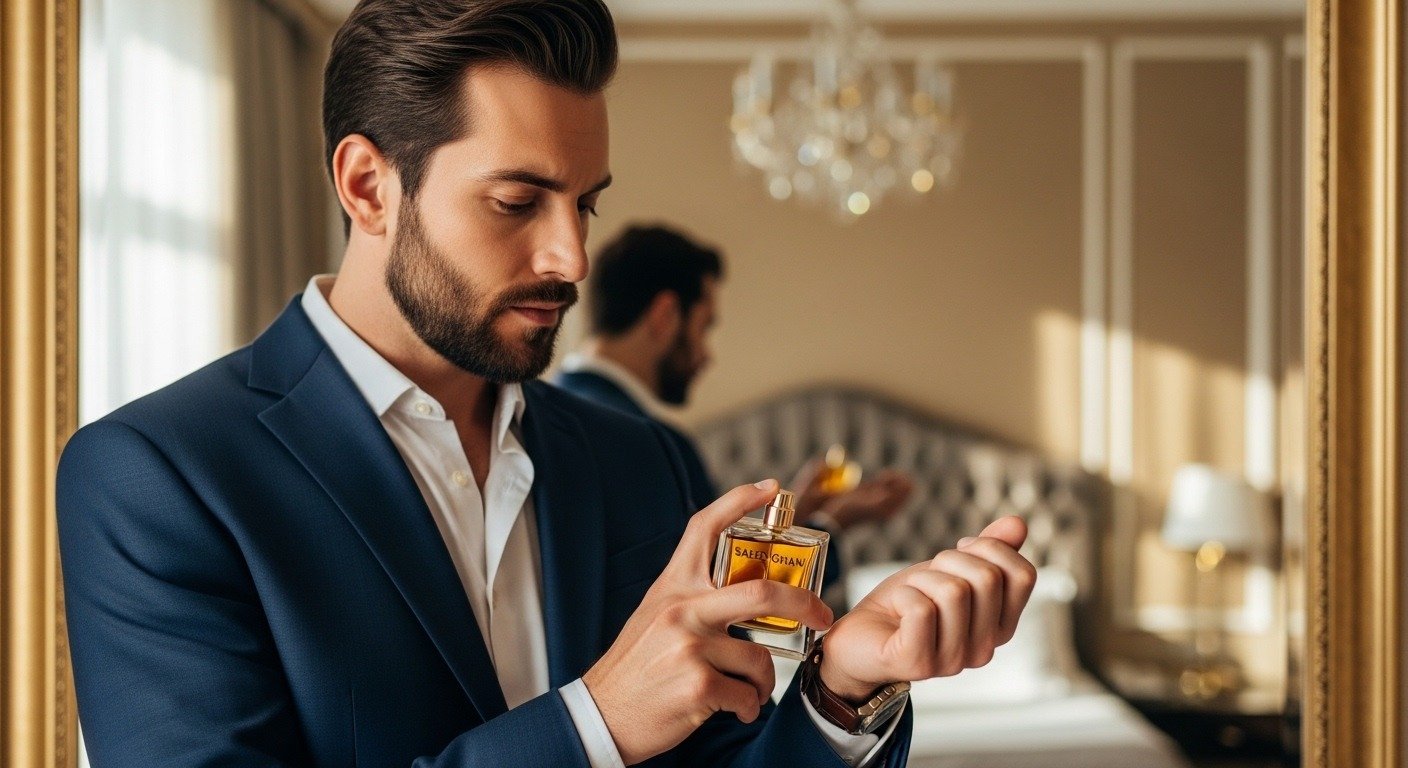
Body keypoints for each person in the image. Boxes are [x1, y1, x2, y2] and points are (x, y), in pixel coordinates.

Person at [57, 2, 1036, 767]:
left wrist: (841, 691)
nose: (569, 256)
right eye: (516, 202)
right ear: (367, 186)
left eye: (585, 204)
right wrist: (594, 723)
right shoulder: (157, 476)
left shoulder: (640, 461)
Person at [555, 224, 914, 583]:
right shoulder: (651, 444)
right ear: (665, 315)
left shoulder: (547, 416)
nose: (706, 355)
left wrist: (795, 514)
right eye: (704, 327)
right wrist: (835, 523)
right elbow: (719, 592)